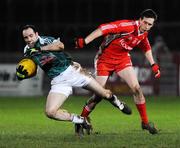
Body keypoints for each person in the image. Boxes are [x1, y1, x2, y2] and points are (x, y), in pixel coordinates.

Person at [16, 24, 132, 137]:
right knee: (50, 112)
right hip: (58, 81)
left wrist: (40, 49)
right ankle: (80, 120)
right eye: (26, 37)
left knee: (104, 94)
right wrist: (24, 75)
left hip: (73, 72)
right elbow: (34, 70)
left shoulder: (45, 41)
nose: (29, 39)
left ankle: (118, 103)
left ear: (36, 34)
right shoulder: (27, 51)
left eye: (31, 35)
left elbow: (60, 46)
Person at [75, 9, 160, 135]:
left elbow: (145, 46)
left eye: (150, 24)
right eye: (145, 23)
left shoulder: (143, 33)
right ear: (140, 20)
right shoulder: (127, 26)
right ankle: (80, 121)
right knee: (98, 95)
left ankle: (145, 122)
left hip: (122, 60)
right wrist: (85, 41)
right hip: (104, 60)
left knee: (137, 89)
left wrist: (153, 64)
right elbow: (103, 28)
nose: (147, 26)